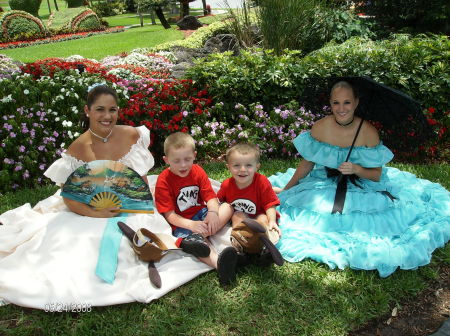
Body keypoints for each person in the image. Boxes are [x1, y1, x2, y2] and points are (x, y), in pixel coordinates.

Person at [270, 80, 450, 277]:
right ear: (330, 103)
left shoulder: (368, 132)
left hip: (362, 184)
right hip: (326, 180)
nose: (341, 108)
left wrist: (356, 169)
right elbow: (307, 163)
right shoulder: (320, 127)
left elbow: (376, 175)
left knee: (370, 216)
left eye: (347, 102)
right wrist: (288, 189)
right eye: (336, 103)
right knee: (307, 207)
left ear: (356, 103)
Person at [44, 84, 155, 217]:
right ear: (87, 110)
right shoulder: (78, 149)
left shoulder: (132, 135)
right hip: (94, 214)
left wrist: (142, 202)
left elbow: (140, 179)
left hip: (134, 209)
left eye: (112, 110)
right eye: (100, 109)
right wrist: (95, 213)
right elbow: (69, 196)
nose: (107, 116)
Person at [154, 132, 238, 286]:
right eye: (177, 161)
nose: (183, 165)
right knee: (200, 245)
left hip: (202, 214)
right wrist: (191, 225)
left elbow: (210, 198)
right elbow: (169, 215)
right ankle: (219, 264)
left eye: (187, 159)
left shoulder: (198, 171)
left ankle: (205, 233)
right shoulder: (163, 181)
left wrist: (212, 213)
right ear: (166, 160)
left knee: (227, 206)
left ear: (194, 155)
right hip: (183, 223)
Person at [217, 143, 282, 265]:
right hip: (241, 218)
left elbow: (269, 203)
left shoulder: (262, 182)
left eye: (248, 165)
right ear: (229, 167)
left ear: (257, 166)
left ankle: (265, 247)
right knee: (237, 215)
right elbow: (219, 201)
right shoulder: (227, 185)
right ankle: (239, 249)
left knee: (263, 218)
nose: (242, 169)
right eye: (236, 165)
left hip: (258, 213)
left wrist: (272, 220)